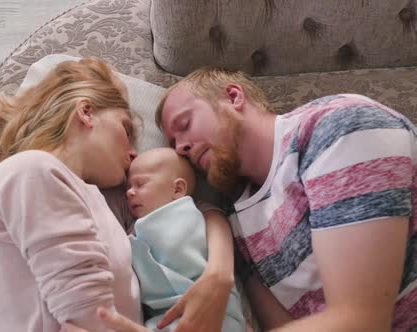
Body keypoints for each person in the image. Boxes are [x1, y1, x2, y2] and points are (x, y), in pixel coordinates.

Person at [81, 68, 416, 332]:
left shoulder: (337, 127)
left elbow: (360, 322)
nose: (180, 146)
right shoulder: (238, 221)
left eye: (184, 124)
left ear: (233, 96)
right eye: (173, 142)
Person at [0, 57, 237, 332]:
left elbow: (194, 208)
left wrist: (220, 272)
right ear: (86, 113)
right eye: (125, 128)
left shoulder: (92, 198)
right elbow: (92, 320)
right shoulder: (32, 171)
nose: (134, 153)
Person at [126, 147, 246, 332]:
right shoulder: (133, 227)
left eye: (140, 184)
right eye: (128, 187)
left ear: (178, 188)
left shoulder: (196, 213)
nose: (129, 193)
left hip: (214, 307)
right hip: (167, 314)